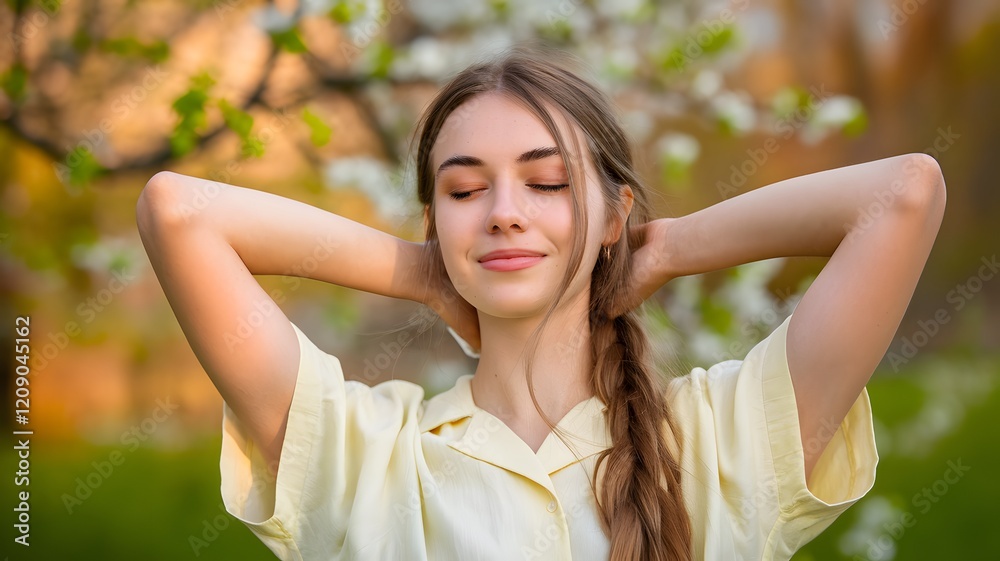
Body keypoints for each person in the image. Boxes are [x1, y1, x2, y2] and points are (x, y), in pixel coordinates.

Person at [135, 45, 946, 560]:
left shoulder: (717, 441)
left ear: (614, 213)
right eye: (463, 189)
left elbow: (904, 194)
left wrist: (664, 247)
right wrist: (423, 271)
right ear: (436, 223)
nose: (504, 210)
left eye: (549, 181)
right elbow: (179, 211)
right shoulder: (364, 456)